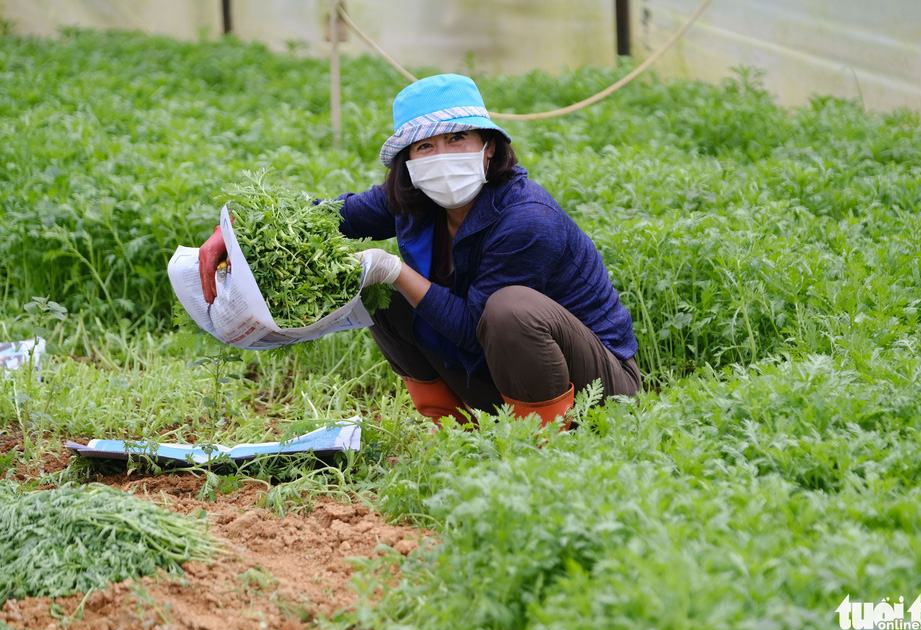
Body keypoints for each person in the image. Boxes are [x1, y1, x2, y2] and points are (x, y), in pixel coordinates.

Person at [198, 73, 640, 427]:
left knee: (510, 309)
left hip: (595, 388)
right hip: (496, 378)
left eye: (457, 140)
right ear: (408, 161)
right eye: (426, 146)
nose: (441, 156)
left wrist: (392, 269)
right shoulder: (414, 200)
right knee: (382, 298)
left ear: (488, 148)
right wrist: (238, 231)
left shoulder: (526, 219)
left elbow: (475, 329)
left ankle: (547, 448)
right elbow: (335, 216)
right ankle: (455, 428)